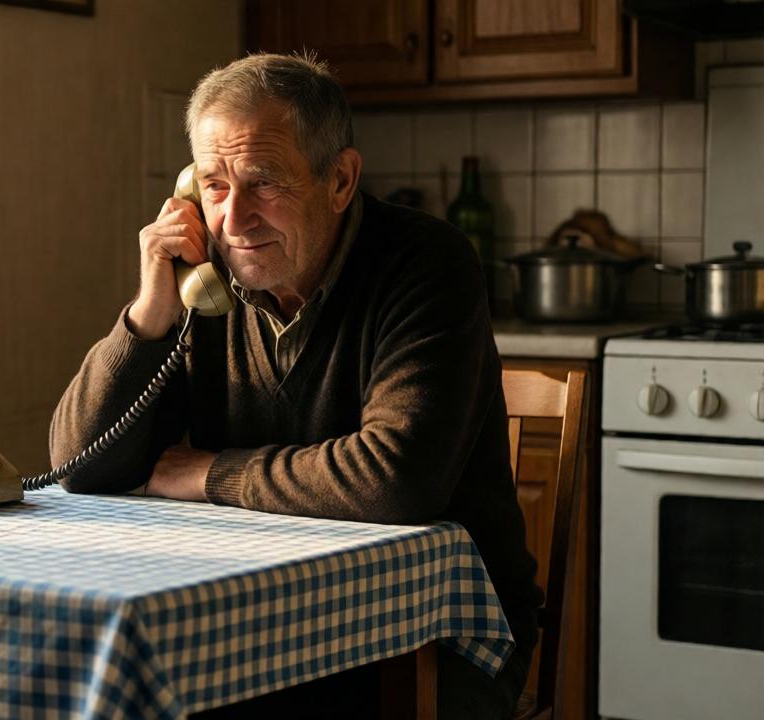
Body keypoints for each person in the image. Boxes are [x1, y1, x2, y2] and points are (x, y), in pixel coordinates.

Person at [48, 52, 540, 719]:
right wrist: (150, 313)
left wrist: (209, 474)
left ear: (340, 180)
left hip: (430, 636)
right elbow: (79, 464)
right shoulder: (209, 281)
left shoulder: (429, 264)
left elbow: (394, 478)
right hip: (263, 621)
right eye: (214, 186)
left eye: (264, 183)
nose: (233, 219)